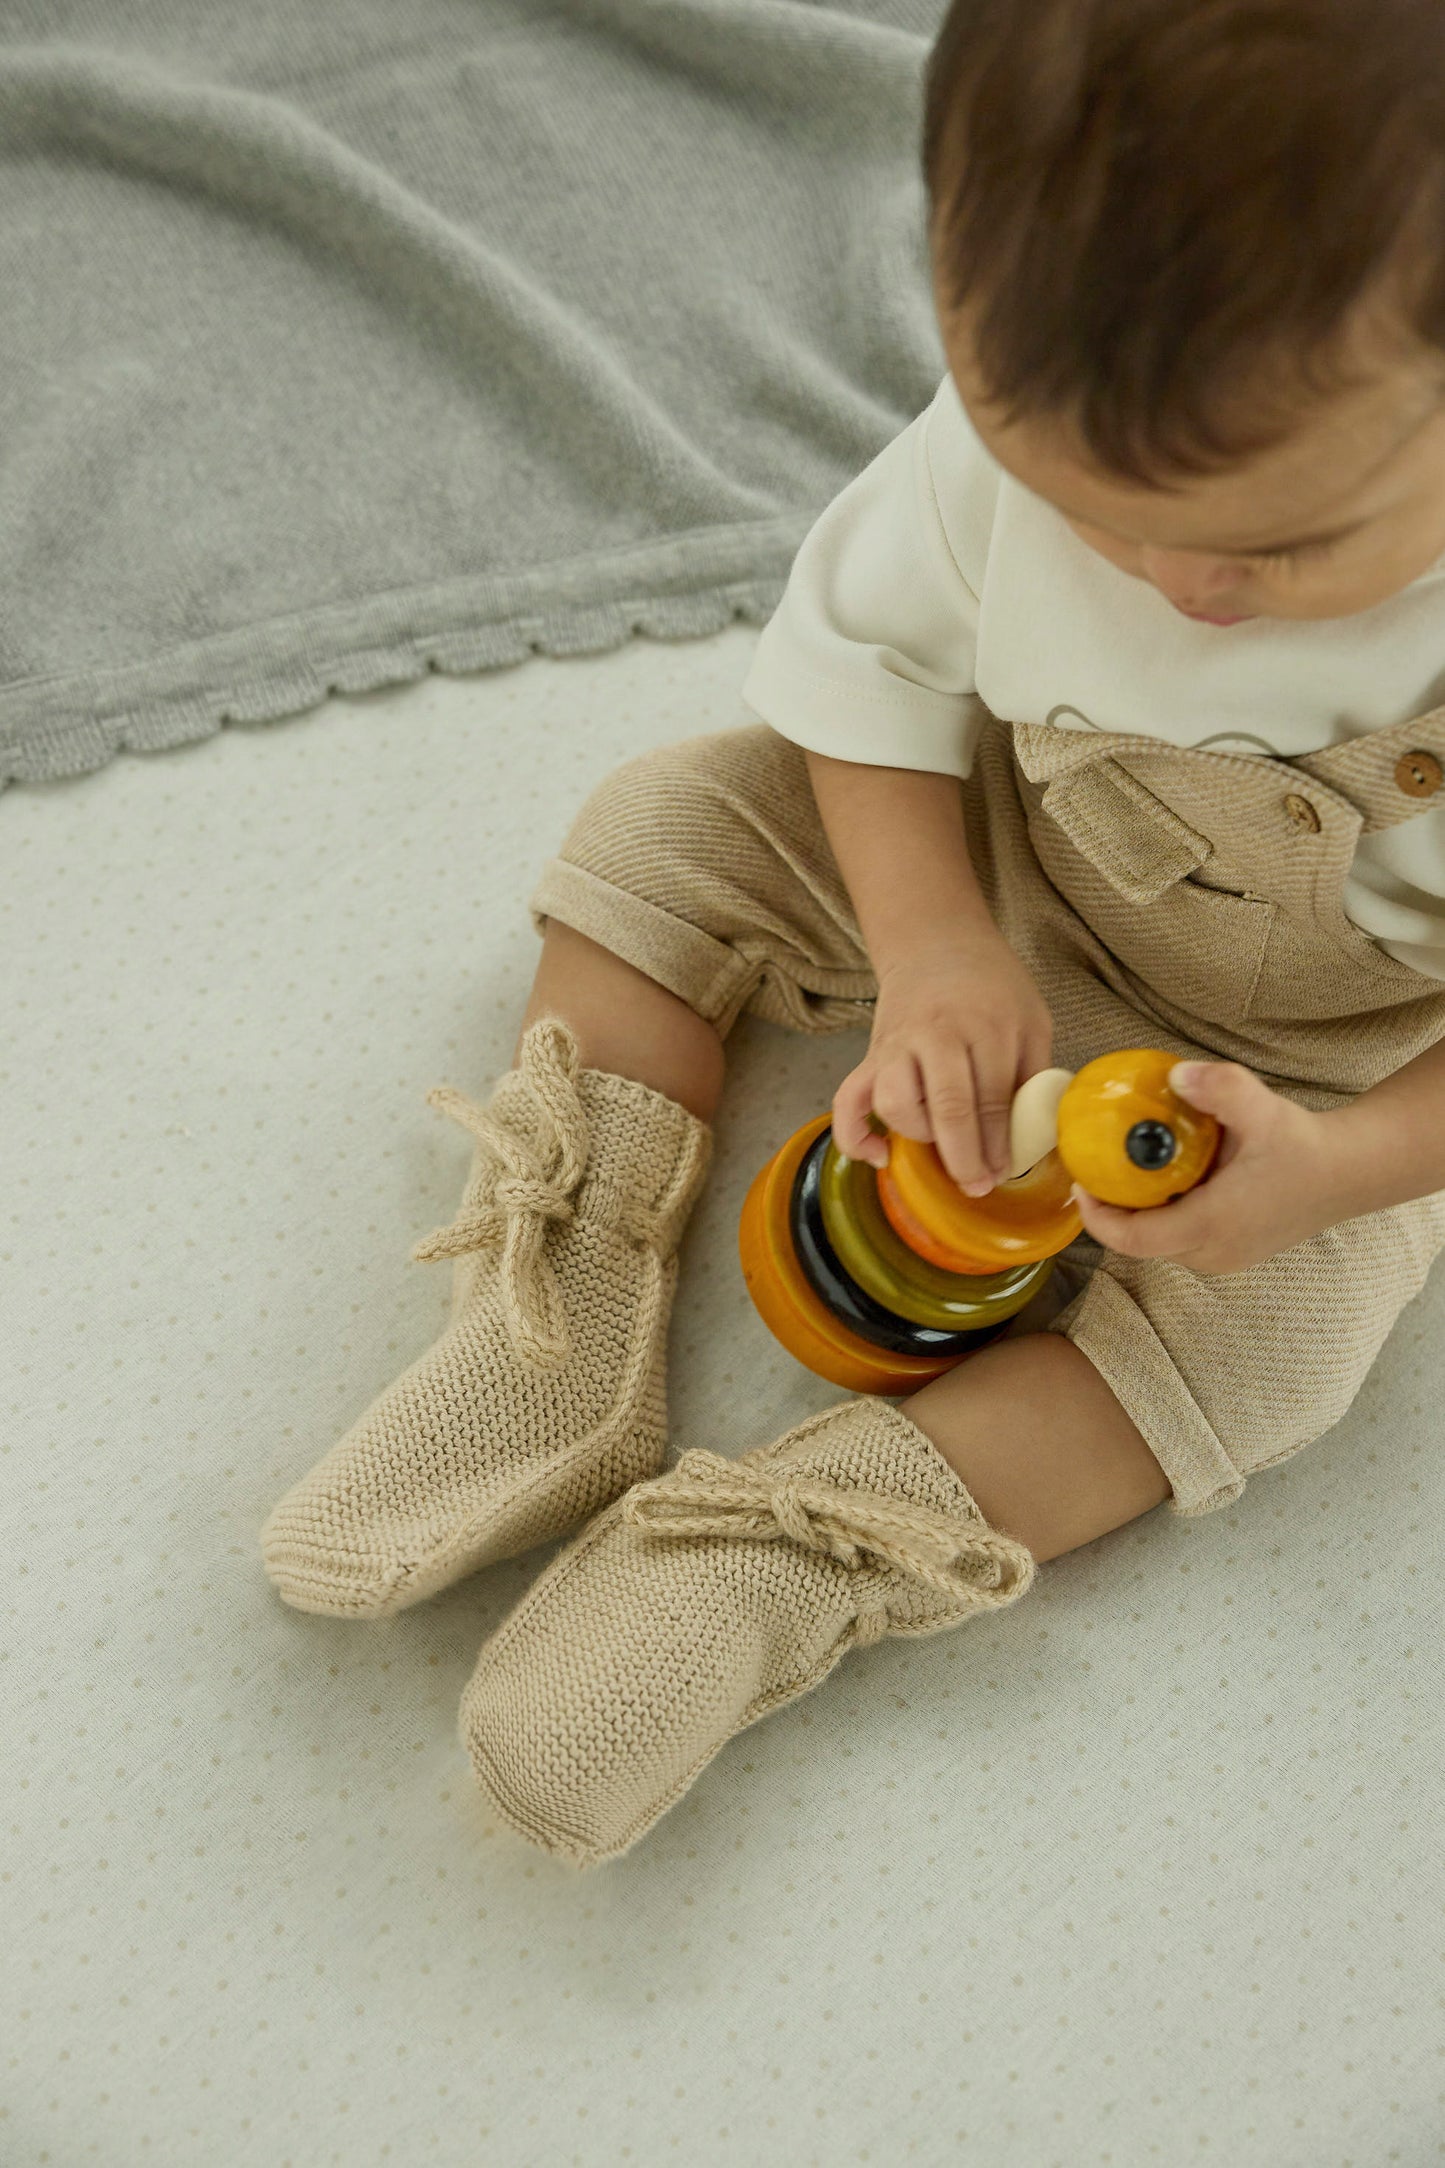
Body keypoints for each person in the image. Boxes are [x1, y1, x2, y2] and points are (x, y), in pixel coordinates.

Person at [262, 0, 1445, 1866]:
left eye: (1284, 547)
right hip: (1013, 844)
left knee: (1282, 1345)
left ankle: (783, 1554)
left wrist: (1342, 1166)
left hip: (1332, 1053)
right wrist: (931, 943)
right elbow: (869, 679)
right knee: (665, 822)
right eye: (1089, 512)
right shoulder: (1016, 427)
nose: (1183, 588)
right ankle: (554, 1333)